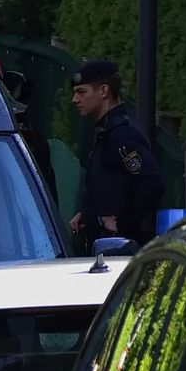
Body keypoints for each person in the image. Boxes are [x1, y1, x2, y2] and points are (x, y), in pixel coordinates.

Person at [70, 58, 166, 246]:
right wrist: (89, 215)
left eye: (81, 92)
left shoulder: (122, 135)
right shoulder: (107, 132)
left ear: (104, 91)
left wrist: (123, 222)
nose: (75, 100)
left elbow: (153, 183)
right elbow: (112, 186)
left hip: (119, 248)